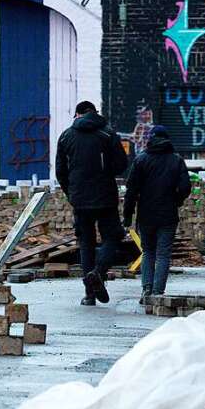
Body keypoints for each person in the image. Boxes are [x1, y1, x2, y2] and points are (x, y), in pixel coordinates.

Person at [55, 101, 130, 307]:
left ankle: (89, 294)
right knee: (113, 238)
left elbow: (60, 171)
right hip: (105, 196)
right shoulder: (107, 134)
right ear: (95, 113)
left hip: (79, 198)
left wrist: (71, 193)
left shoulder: (66, 136)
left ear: (77, 114)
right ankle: (97, 273)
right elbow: (121, 165)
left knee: (86, 243)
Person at [122, 124, 192, 304]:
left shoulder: (141, 160)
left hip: (146, 214)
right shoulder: (176, 160)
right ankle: (158, 292)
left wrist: (128, 215)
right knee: (163, 254)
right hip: (168, 214)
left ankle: (146, 289)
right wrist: (177, 200)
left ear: (150, 138)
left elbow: (131, 190)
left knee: (148, 252)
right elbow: (185, 187)